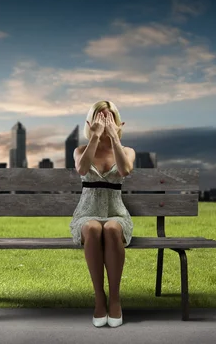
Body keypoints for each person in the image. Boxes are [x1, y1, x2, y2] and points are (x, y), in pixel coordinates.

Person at [69, 100, 136, 328]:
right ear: (91, 122)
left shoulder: (127, 151)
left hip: (116, 213)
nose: (105, 123)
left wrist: (114, 138)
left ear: (118, 123)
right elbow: (82, 169)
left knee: (111, 228)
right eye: (100, 118)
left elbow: (125, 169)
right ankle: (100, 298)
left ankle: (115, 299)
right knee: (93, 228)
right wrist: (96, 136)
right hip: (87, 212)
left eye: (109, 118)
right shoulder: (81, 150)